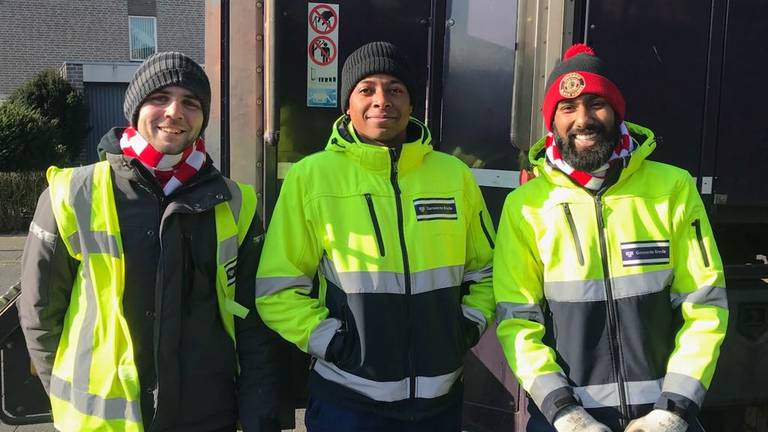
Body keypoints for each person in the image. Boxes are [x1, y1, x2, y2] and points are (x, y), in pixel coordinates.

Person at [18, 52, 281, 432]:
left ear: (203, 118)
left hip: (207, 416)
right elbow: (40, 314)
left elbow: (254, 320)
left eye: (190, 102)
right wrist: (64, 394)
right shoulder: (73, 192)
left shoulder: (235, 202)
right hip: (101, 422)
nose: (175, 112)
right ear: (135, 109)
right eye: (160, 98)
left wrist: (257, 414)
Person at [255, 41, 496, 431]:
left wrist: (466, 326)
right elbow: (278, 290)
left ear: (412, 104)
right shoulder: (311, 177)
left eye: (395, 89)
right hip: (348, 402)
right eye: (367, 89)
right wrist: (334, 344)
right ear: (347, 105)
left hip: (441, 400)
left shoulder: (454, 176)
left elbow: (487, 271)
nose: (382, 100)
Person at [493, 44, 728, 432]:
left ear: (617, 112)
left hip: (665, 418)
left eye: (596, 103)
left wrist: (674, 410)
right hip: (563, 421)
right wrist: (566, 414)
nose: (583, 119)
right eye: (567, 108)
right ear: (552, 122)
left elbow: (704, 306)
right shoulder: (525, 206)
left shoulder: (672, 188)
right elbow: (518, 321)